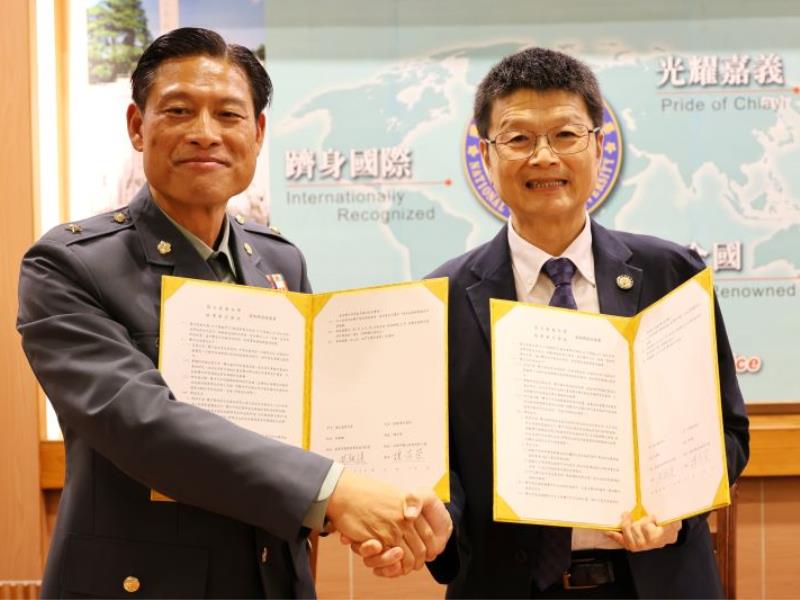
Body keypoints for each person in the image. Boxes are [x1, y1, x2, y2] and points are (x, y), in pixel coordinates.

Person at [18, 27, 449, 599]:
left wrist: (388, 508)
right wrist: (337, 493)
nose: (205, 132)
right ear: (137, 127)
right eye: (179, 110)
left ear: (258, 132)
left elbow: (314, 429)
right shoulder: (69, 265)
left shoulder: (279, 261)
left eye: (228, 114)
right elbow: (143, 424)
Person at [352, 47, 750, 598]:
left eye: (565, 135)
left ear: (599, 145)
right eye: (518, 139)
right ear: (486, 155)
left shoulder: (671, 274)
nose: (544, 157)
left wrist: (678, 506)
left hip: (657, 581)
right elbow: (440, 464)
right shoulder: (439, 298)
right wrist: (431, 521)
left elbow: (727, 431)